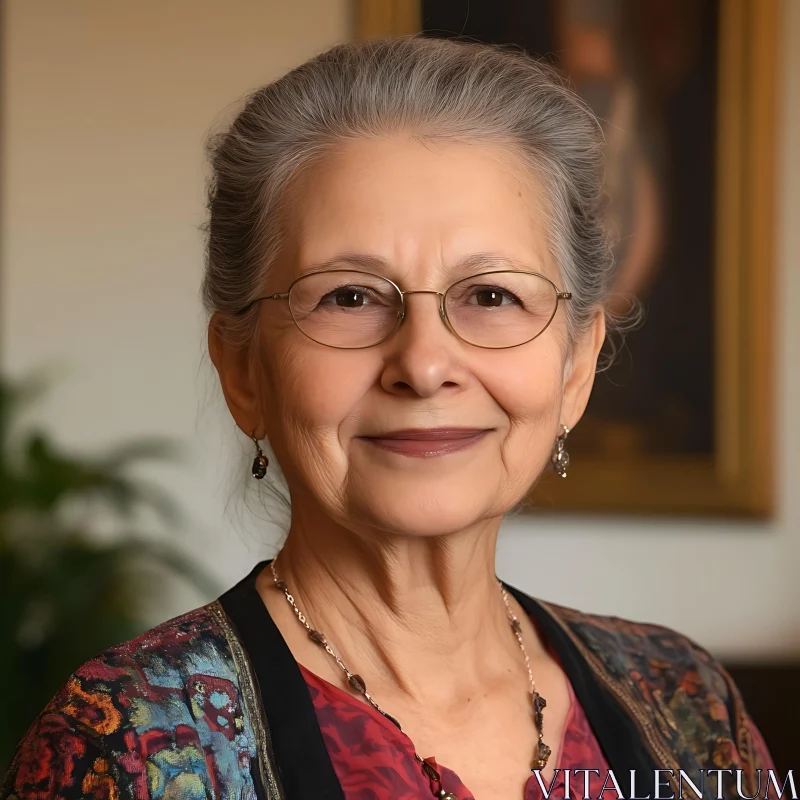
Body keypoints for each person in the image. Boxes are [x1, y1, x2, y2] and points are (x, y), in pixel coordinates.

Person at [2, 36, 775, 800]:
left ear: (574, 368)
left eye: (492, 295)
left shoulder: (686, 703)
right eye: (349, 296)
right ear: (243, 369)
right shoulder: (122, 744)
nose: (425, 363)